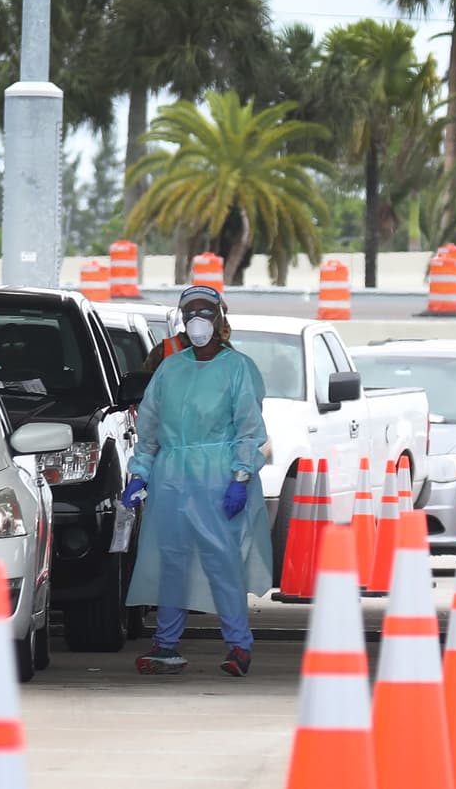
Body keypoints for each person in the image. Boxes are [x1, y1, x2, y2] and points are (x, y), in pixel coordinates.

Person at [122, 285, 272, 677]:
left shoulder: (238, 368)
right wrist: (140, 472)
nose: (197, 320)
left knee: (221, 560)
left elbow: (249, 430)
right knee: (171, 560)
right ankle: (165, 646)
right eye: (190, 312)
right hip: (172, 479)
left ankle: (239, 645)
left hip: (218, 478)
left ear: (220, 318)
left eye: (205, 312)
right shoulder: (172, 367)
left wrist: (240, 476)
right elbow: (150, 427)